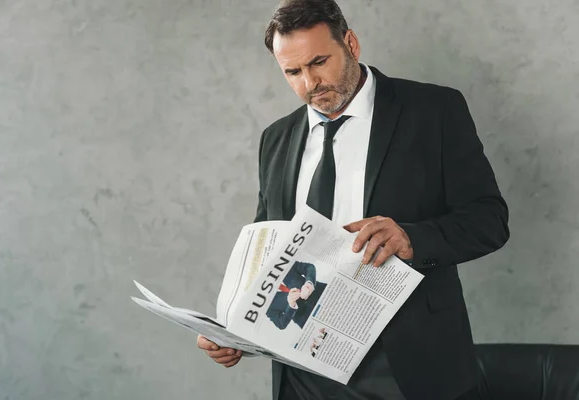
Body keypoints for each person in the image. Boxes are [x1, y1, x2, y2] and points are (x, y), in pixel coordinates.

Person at [197, 0, 509, 399]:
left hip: (407, 362)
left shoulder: (434, 111)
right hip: (301, 369)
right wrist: (233, 329)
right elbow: (269, 250)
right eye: (293, 72)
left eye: (319, 62)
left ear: (351, 43)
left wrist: (412, 239)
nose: (310, 83)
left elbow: (489, 220)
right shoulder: (274, 140)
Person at [266, 261, 327, 330]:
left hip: (327, 294)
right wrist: (291, 305)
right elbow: (281, 324)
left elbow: (309, 267)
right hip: (311, 320)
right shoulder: (264, 302)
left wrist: (309, 283)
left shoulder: (281, 265)